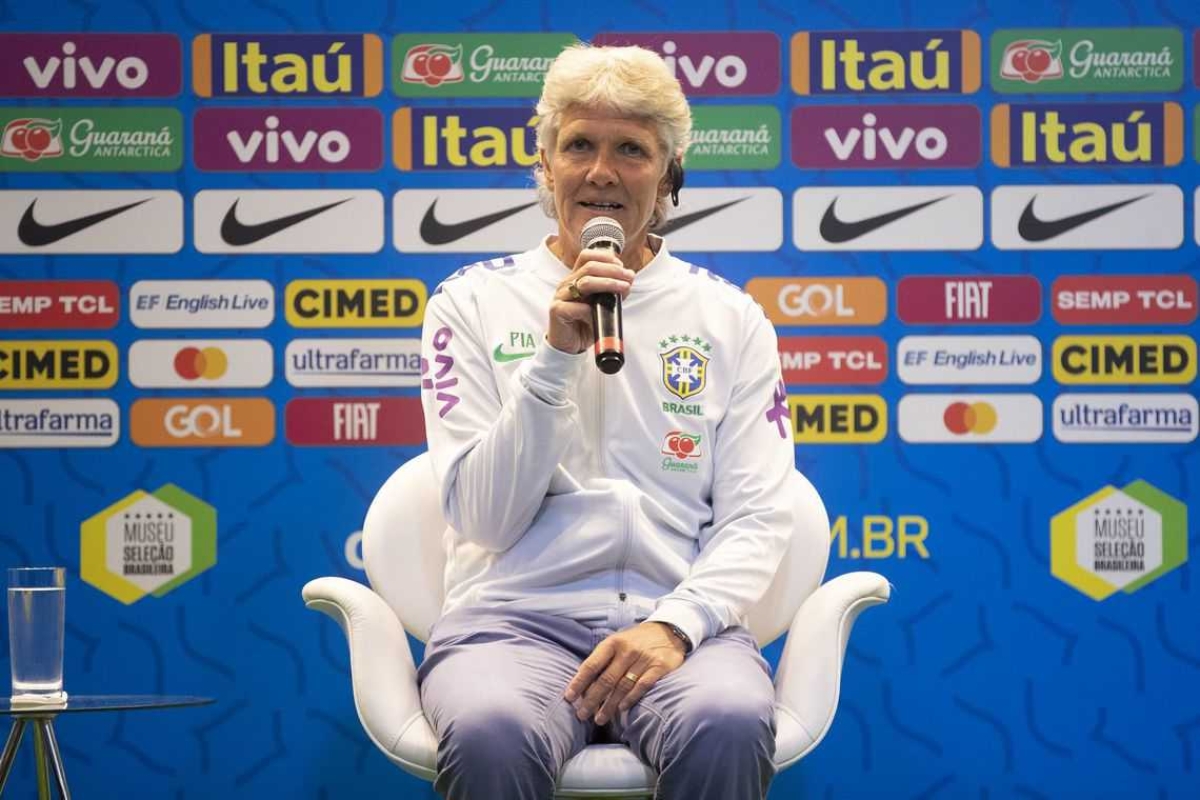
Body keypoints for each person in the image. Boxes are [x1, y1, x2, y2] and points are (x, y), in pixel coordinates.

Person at [417, 42, 795, 800]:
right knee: (491, 730)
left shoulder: (731, 317)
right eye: (579, 145)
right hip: (511, 625)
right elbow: (486, 519)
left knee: (728, 718)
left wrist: (677, 625)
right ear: (546, 167)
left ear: (667, 177)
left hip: (678, 627)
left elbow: (759, 515)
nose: (601, 172)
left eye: (631, 150)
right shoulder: (468, 302)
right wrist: (554, 356)